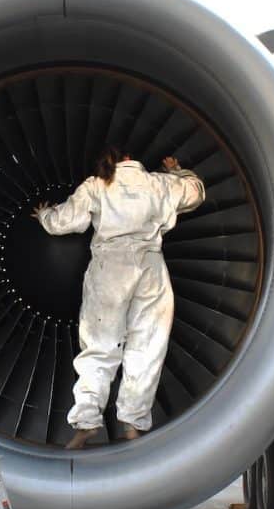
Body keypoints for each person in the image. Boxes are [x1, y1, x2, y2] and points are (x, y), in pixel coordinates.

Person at [33, 147, 205, 449]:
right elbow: (195, 192)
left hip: (110, 268)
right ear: (132, 159)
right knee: (147, 348)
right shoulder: (160, 183)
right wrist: (178, 171)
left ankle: (86, 421)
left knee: (99, 347)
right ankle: (132, 422)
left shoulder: (97, 185)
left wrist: (44, 215)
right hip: (151, 267)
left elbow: (64, 222)